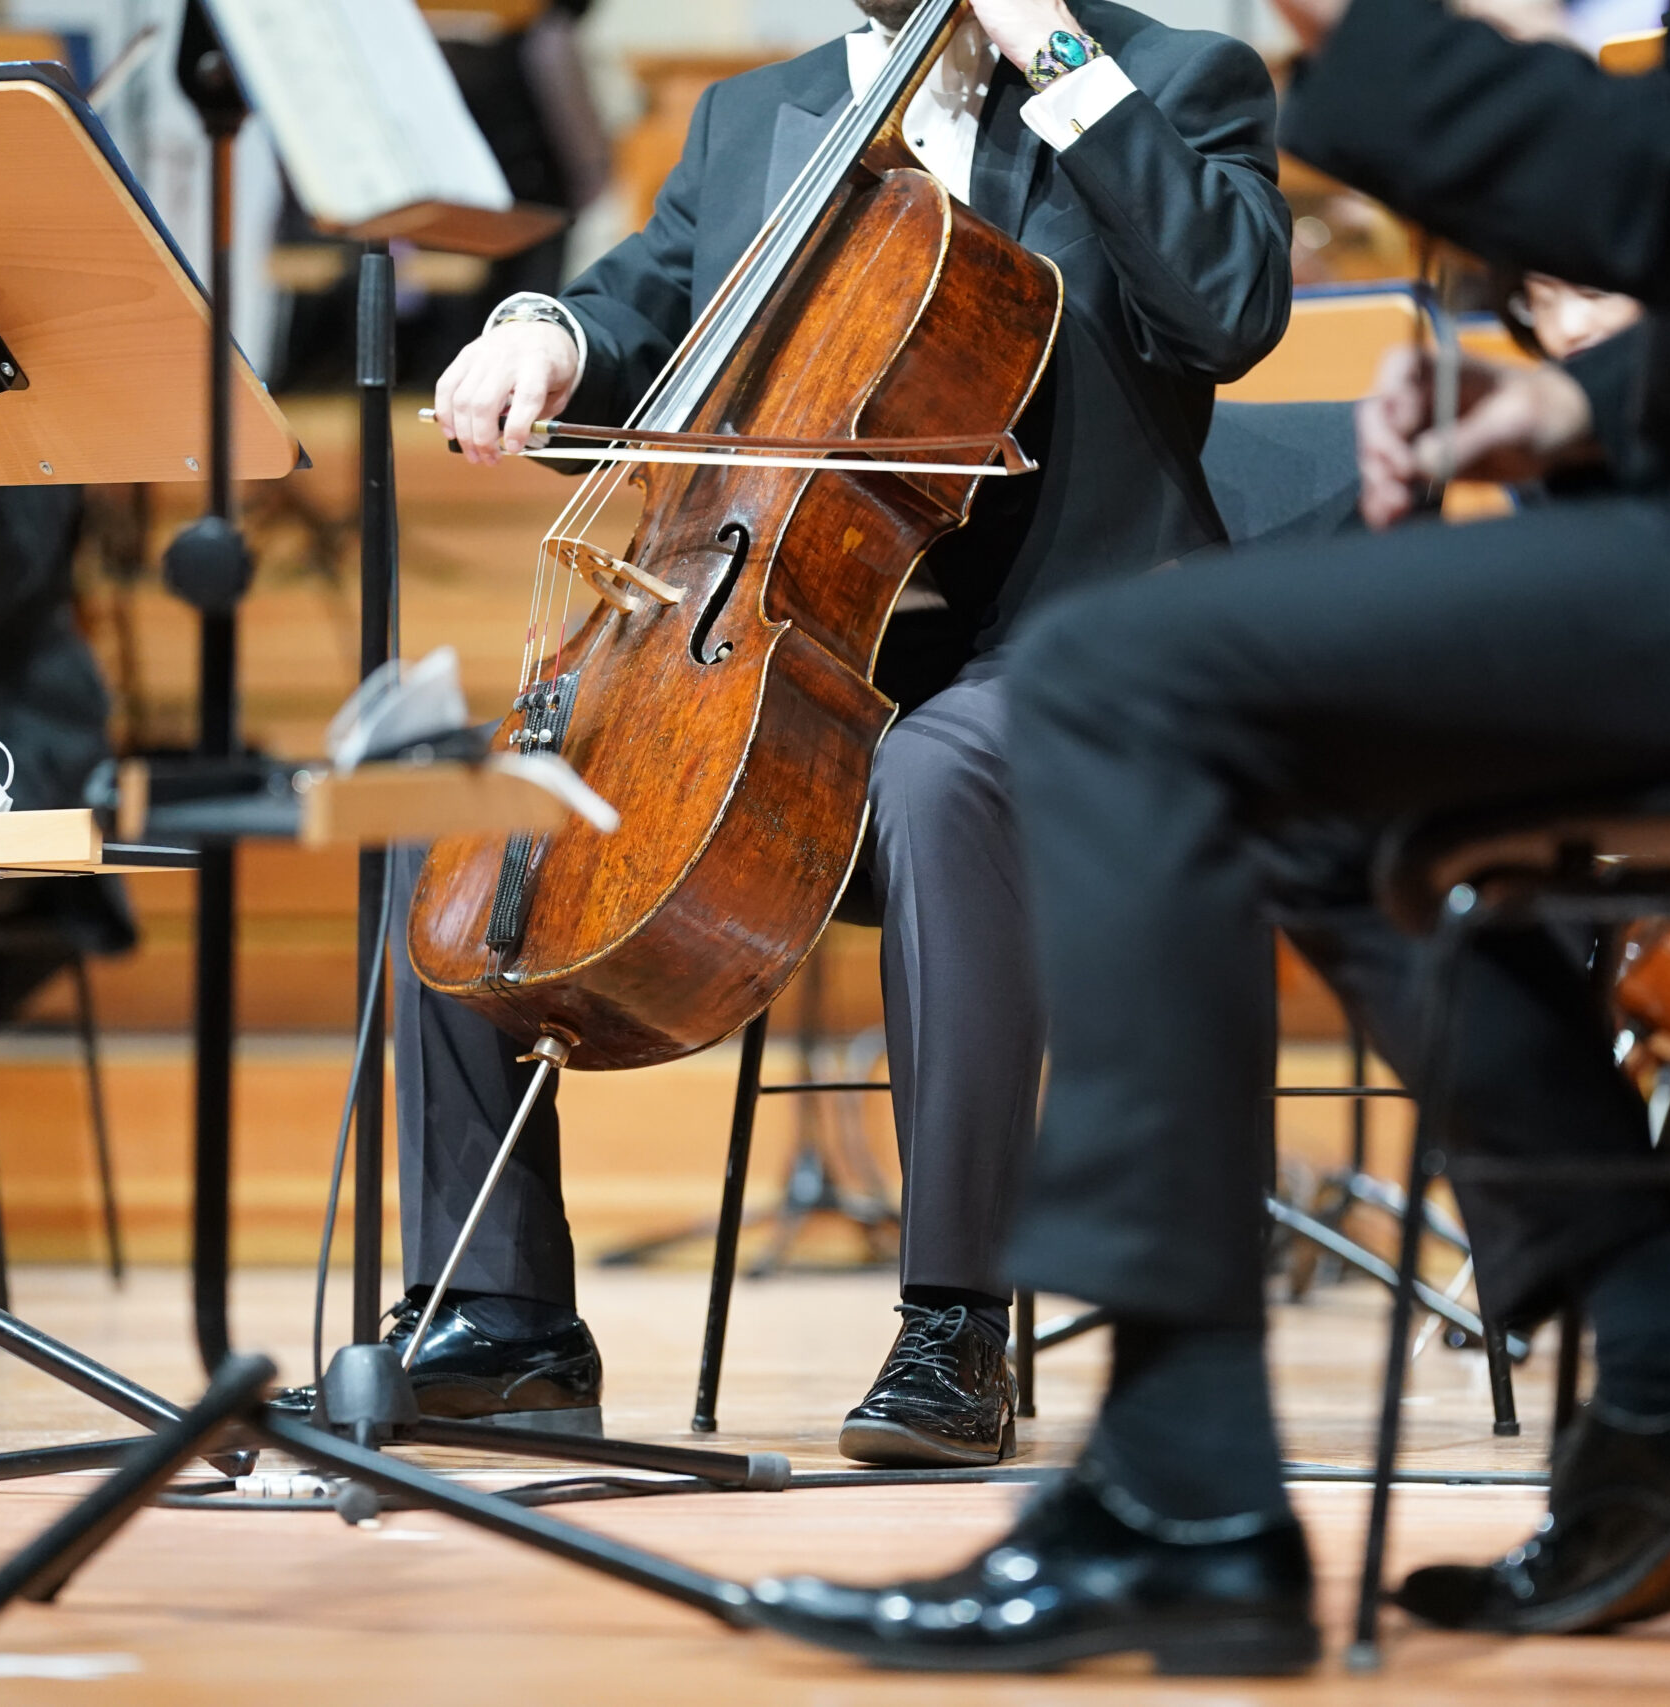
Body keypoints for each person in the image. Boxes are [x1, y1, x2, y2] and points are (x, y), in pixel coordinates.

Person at [749, 0, 1670, 1671]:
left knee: (1117, 674)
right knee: (1314, 757)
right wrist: (1585, 414)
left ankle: (1179, 1493)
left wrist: (1357, 33)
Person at [383, 0, 1290, 1461]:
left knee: (940, 772)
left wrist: (1054, 50)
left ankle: (954, 1327)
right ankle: (502, 1327)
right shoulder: (761, 116)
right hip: (780, 653)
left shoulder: (1175, 78)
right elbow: (641, 301)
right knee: (456, 807)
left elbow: (1230, 309)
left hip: (1067, 664)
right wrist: (543, 337)